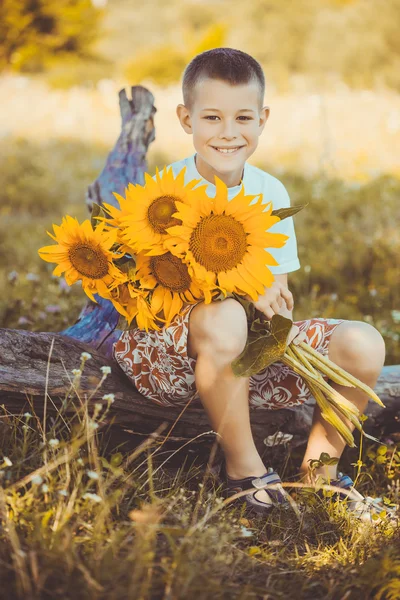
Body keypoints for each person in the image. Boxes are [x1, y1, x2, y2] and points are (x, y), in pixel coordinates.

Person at [114, 48, 395, 522]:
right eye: (212, 117)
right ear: (186, 119)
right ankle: (244, 471)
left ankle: (319, 473)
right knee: (224, 316)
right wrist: (234, 292)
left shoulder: (270, 194)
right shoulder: (165, 195)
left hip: (250, 359)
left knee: (364, 342)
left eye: (243, 117)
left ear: (263, 119)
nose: (228, 132)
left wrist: (268, 300)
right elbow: (161, 294)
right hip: (168, 362)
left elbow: (276, 298)